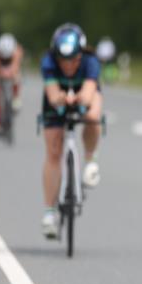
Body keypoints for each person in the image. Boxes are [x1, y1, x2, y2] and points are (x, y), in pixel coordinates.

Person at [39, 23, 103, 238]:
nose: (68, 66)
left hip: (85, 92)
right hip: (58, 97)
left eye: (73, 60)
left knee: (93, 116)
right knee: (53, 152)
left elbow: (88, 93)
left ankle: (90, 160)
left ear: (81, 55)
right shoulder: (47, 62)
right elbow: (52, 93)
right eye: (62, 60)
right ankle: (49, 213)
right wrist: (61, 99)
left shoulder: (91, 62)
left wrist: (78, 100)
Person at [0, 33, 24, 134]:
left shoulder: (17, 51)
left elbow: (15, 66)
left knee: (17, 77)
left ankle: (16, 97)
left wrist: (10, 73)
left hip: (10, 68)